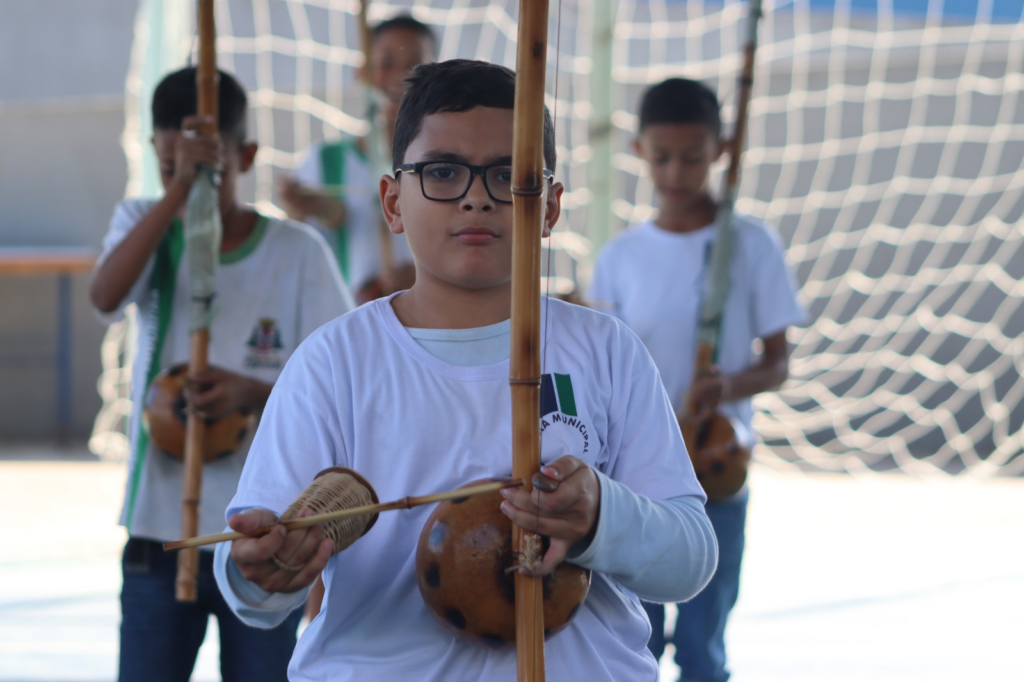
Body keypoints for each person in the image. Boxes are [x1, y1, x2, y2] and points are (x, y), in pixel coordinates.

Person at [213, 59, 718, 681]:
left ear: (551, 207)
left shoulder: (606, 351)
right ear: (393, 202)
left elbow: (691, 560)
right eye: (443, 171)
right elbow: (254, 592)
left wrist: (601, 517)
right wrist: (262, 570)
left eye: (510, 174)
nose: (478, 195)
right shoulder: (334, 361)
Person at [89, 66, 353, 682]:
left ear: (248, 156)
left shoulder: (297, 253)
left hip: (266, 536)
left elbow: (338, 381)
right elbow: (104, 297)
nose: (189, 179)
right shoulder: (144, 224)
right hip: (161, 529)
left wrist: (254, 392)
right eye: (170, 163)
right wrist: (178, 193)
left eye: (208, 166)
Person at [588, 77, 805, 682]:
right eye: (661, 157)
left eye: (692, 156)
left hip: (716, 462)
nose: (676, 172)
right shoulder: (621, 256)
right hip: (637, 467)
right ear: (638, 150)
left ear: (722, 150)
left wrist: (730, 386)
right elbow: (603, 366)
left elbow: (778, 361)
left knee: (705, 638)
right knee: (638, 632)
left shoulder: (750, 244)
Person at [279, 14, 437, 304]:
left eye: (415, 67)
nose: (401, 77)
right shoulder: (324, 162)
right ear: (362, 74)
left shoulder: (448, 166)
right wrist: (300, 210)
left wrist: (424, 280)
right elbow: (294, 257)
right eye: (386, 64)